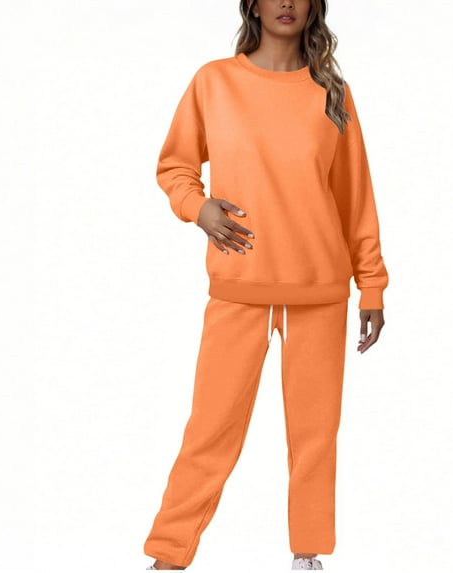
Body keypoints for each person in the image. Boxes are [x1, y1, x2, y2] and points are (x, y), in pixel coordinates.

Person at [143, 0, 389, 570]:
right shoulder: (214, 82)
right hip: (239, 287)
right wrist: (197, 207)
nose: (286, 2)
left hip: (320, 291)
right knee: (209, 430)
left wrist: (372, 286)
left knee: (315, 435)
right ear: (252, 4)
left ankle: (308, 555)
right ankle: (169, 555)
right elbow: (175, 166)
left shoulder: (332, 93)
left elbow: (356, 198)